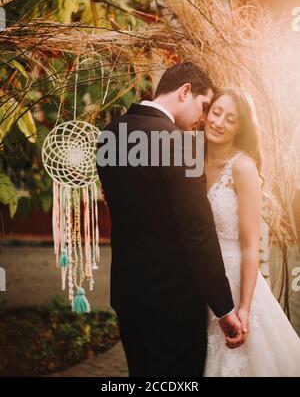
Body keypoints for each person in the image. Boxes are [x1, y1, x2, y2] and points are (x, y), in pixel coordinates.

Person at [96, 62, 244, 377]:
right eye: (204, 106)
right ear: (185, 91)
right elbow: (198, 233)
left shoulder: (109, 136)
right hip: (174, 303)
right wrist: (224, 308)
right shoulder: (181, 144)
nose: (203, 118)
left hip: (128, 295)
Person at [202, 88, 300, 377]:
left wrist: (244, 307)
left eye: (230, 119)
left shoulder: (243, 168)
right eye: (216, 112)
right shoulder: (191, 159)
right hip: (202, 280)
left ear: (240, 127)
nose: (218, 122)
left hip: (236, 281)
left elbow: (249, 245)